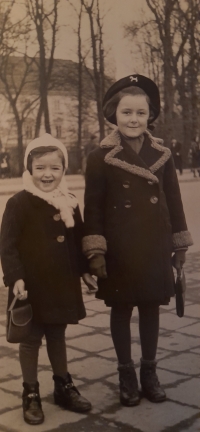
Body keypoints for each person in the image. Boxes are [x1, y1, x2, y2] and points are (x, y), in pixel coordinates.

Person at [82, 75, 193, 407]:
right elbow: (93, 208)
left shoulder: (162, 154)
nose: (134, 120)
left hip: (155, 244)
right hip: (119, 249)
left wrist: (180, 244)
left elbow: (173, 200)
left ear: (150, 116)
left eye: (140, 113)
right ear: (113, 114)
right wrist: (96, 250)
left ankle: (149, 371)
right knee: (120, 308)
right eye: (127, 113)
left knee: (150, 308)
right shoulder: (99, 157)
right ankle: (125, 373)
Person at [0, 134, 96, 425]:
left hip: (62, 284)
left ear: (64, 169)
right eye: (40, 167)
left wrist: (85, 270)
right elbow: (7, 245)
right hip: (30, 287)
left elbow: (77, 240)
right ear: (29, 169)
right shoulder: (19, 203)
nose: (47, 174)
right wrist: (15, 277)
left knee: (57, 335)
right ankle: (30, 392)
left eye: (55, 168)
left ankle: (63, 385)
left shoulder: (69, 202)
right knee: (30, 341)